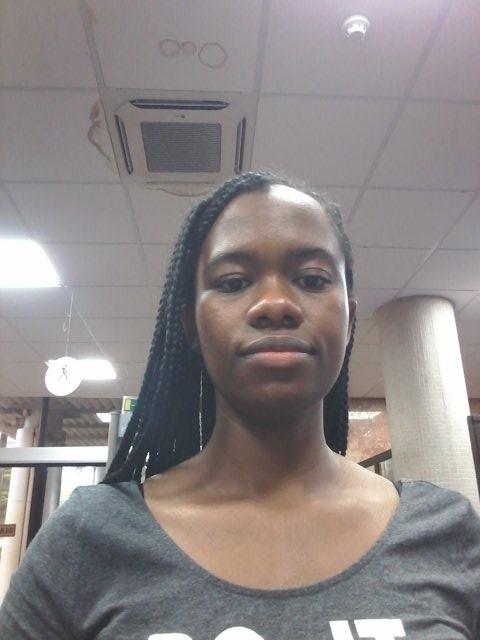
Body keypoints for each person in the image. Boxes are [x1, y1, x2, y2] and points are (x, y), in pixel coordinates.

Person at [0, 170, 479, 640]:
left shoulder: (444, 533)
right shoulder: (89, 540)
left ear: (350, 320)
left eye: (312, 279)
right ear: (191, 325)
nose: (275, 303)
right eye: (232, 282)